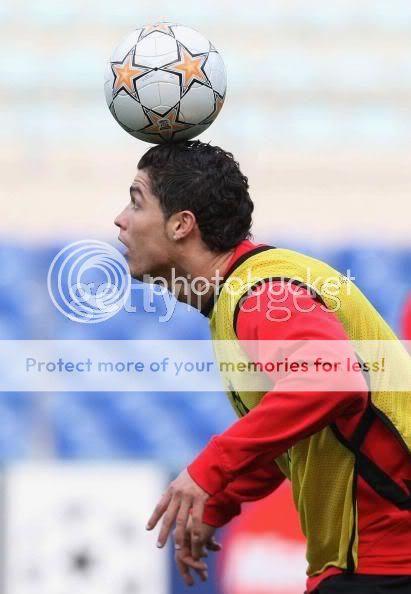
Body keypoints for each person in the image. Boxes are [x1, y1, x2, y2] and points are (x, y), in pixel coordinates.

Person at [114, 140, 411, 594]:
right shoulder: (244, 291)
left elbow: (331, 382)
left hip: (387, 560)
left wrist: (208, 471)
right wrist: (219, 501)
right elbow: (301, 431)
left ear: (181, 225)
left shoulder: (261, 292)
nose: (120, 220)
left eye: (136, 202)